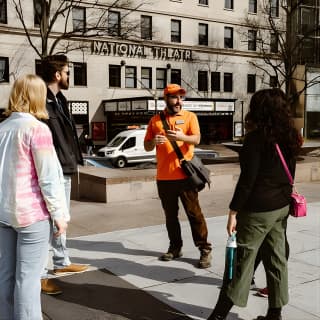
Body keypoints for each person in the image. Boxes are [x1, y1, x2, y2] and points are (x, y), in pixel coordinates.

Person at [207, 88, 302, 320]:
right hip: (281, 207)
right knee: (277, 259)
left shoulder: (255, 139)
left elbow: (247, 181)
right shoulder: (290, 135)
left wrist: (233, 212)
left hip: (258, 209)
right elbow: (291, 171)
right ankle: (274, 314)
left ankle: (218, 316)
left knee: (240, 263)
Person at [0, 74, 68, 319]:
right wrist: (59, 214)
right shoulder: (37, 129)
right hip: (32, 215)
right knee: (28, 280)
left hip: (4, 213)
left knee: (6, 275)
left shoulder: (2, 128)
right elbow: (48, 177)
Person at [144, 83, 212, 268]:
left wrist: (182, 137)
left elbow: (197, 139)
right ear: (166, 98)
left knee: (194, 214)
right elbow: (147, 145)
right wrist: (153, 141)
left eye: (181, 97)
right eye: (174, 97)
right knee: (170, 216)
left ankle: (204, 249)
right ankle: (175, 248)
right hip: (164, 179)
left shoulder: (190, 116)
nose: (179, 101)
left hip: (185, 177)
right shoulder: (155, 120)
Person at [40, 54, 88, 295]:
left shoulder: (61, 100)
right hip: (53, 168)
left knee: (62, 219)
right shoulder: (41, 101)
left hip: (66, 167)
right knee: (49, 222)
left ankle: (61, 262)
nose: (70, 76)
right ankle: (40, 275)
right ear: (58, 75)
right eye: (68, 72)